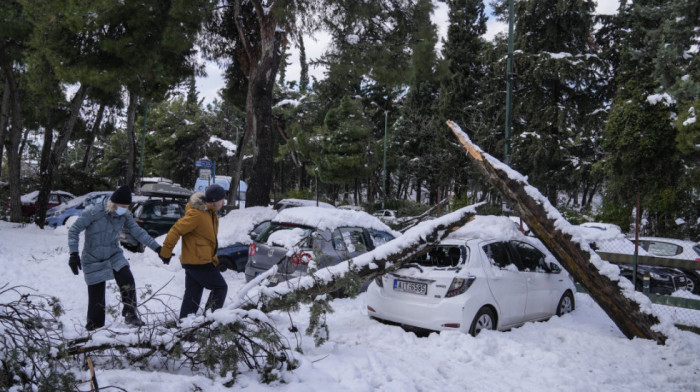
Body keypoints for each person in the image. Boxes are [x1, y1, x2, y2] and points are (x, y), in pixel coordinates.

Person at [68, 185, 163, 331]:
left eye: (127, 206)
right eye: (122, 206)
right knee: (97, 300)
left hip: (113, 254)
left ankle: (130, 313)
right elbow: (74, 231)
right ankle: (95, 328)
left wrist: (158, 248)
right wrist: (73, 254)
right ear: (113, 203)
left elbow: (138, 232)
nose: (124, 209)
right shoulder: (93, 212)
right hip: (93, 257)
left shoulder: (124, 215)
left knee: (127, 279)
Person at [159, 183, 228, 319]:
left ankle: (185, 326)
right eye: (222, 199)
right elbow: (176, 229)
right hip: (200, 262)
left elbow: (207, 239)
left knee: (193, 295)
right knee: (220, 287)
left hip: (196, 261)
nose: (224, 202)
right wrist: (165, 252)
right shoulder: (198, 214)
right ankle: (210, 320)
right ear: (214, 201)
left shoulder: (210, 213)